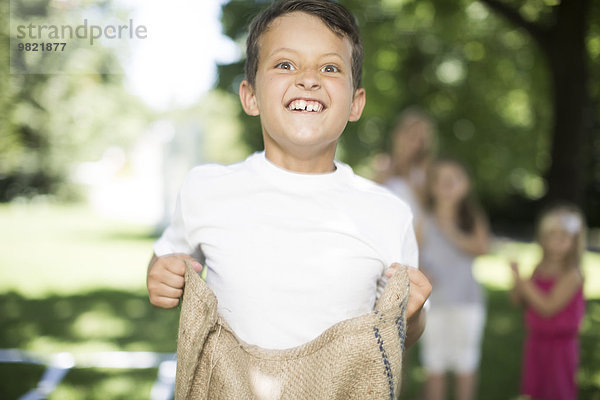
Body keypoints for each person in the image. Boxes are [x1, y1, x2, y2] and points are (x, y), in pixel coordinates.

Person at [146, 0, 431, 355]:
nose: (309, 78)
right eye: (285, 64)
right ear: (250, 96)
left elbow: (406, 330)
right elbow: (166, 257)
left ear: (355, 104)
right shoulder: (205, 189)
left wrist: (412, 314)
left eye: (330, 67)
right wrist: (160, 275)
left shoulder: (388, 212)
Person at [419, 158, 490, 400]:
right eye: (441, 180)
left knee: (465, 364)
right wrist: (422, 272)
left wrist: (450, 229)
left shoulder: (472, 218)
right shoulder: (424, 221)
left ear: (466, 185)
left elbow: (481, 247)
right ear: (432, 187)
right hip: (434, 304)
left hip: (467, 302)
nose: (448, 184)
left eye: (455, 179)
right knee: (434, 365)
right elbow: (415, 256)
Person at [510, 204, 586, 400]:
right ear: (543, 238)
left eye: (564, 237)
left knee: (558, 391)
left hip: (560, 348)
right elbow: (519, 300)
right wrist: (517, 283)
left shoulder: (572, 275)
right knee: (537, 392)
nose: (557, 242)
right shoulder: (539, 268)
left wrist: (521, 280)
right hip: (536, 342)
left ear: (575, 241)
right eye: (552, 235)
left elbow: (547, 307)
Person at [374, 107, 436, 245]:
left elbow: (428, 207)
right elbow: (373, 199)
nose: (414, 143)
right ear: (398, 134)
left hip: (415, 235)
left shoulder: (424, 169)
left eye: (420, 139)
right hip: (387, 231)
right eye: (411, 135)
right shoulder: (383, 164)